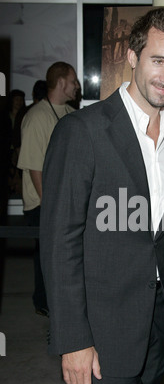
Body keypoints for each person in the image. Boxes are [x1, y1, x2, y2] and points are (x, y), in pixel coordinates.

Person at [40, 8, 164, 384]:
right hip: (102, 334)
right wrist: (72, 339)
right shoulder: (83, 131)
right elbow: (59, 243)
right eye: (157, 60)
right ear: (132, 56)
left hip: (160, 327)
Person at [17, 63, 79, 316]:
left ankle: (61, 299)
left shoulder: (68, 113)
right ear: (62, 83)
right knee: (46, 257)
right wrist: (49, 207)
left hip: (63, 200)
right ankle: (43, 302)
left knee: (63, 256)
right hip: (43, 203)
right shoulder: (37, 117)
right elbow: (34, 167)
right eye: (73, 81)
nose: (77, 86)